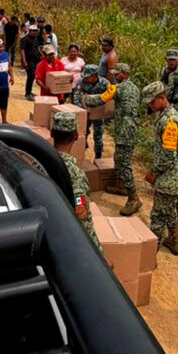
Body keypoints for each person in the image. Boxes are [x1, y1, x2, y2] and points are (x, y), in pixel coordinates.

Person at [82, 63, 140, 215]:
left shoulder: (119, 88)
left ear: (125, 74)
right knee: (119, 158)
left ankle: (134, 198)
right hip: (131, 127)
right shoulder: (134, 88)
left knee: (123, 163)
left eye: (117, 73)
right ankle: (121, 186)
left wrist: (85, 99)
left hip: (125, 130)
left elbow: (101, 99)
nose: (114, 75)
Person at [141, 81, 178, 255]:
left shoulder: (169, 121)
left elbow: (168, 155)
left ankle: (149, 257)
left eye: (152, 102)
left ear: (162, 98)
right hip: (173, 176)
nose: (151, 106)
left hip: (170, 178)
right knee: (170, 210)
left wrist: (153, 172)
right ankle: (173, 241)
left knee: (158, 217)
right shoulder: (165, 115)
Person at [51, 110, 103, 253]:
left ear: (52, 133)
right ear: (76, 136)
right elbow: (83, 221)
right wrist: (99, 257)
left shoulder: (39, 162)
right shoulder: (75, 175)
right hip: (64, 241)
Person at [73, 65, 108, 159]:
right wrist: (82, 111)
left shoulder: (104, 83)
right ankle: (81, 154)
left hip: (98, 114)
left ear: (93, 76)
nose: (85, 78)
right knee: (82, 135)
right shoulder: (81, 82)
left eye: (87, 76)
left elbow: (110, 98)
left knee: (98, 136)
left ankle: (98, 157)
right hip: (85, 113)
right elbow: (76, 98)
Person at [20, 25, 44, 100]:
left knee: (33, 76)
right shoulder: (25, 39)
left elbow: (38, 48)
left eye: (36, 31)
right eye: (33, 31)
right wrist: (24, 61)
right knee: (31, 75)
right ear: (29, 31)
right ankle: (28, 93)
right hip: (28, 60)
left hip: (35, 60)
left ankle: (29, 91)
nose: (35, 32)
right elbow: (22, 50)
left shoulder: (36, 39)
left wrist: (42, 55)